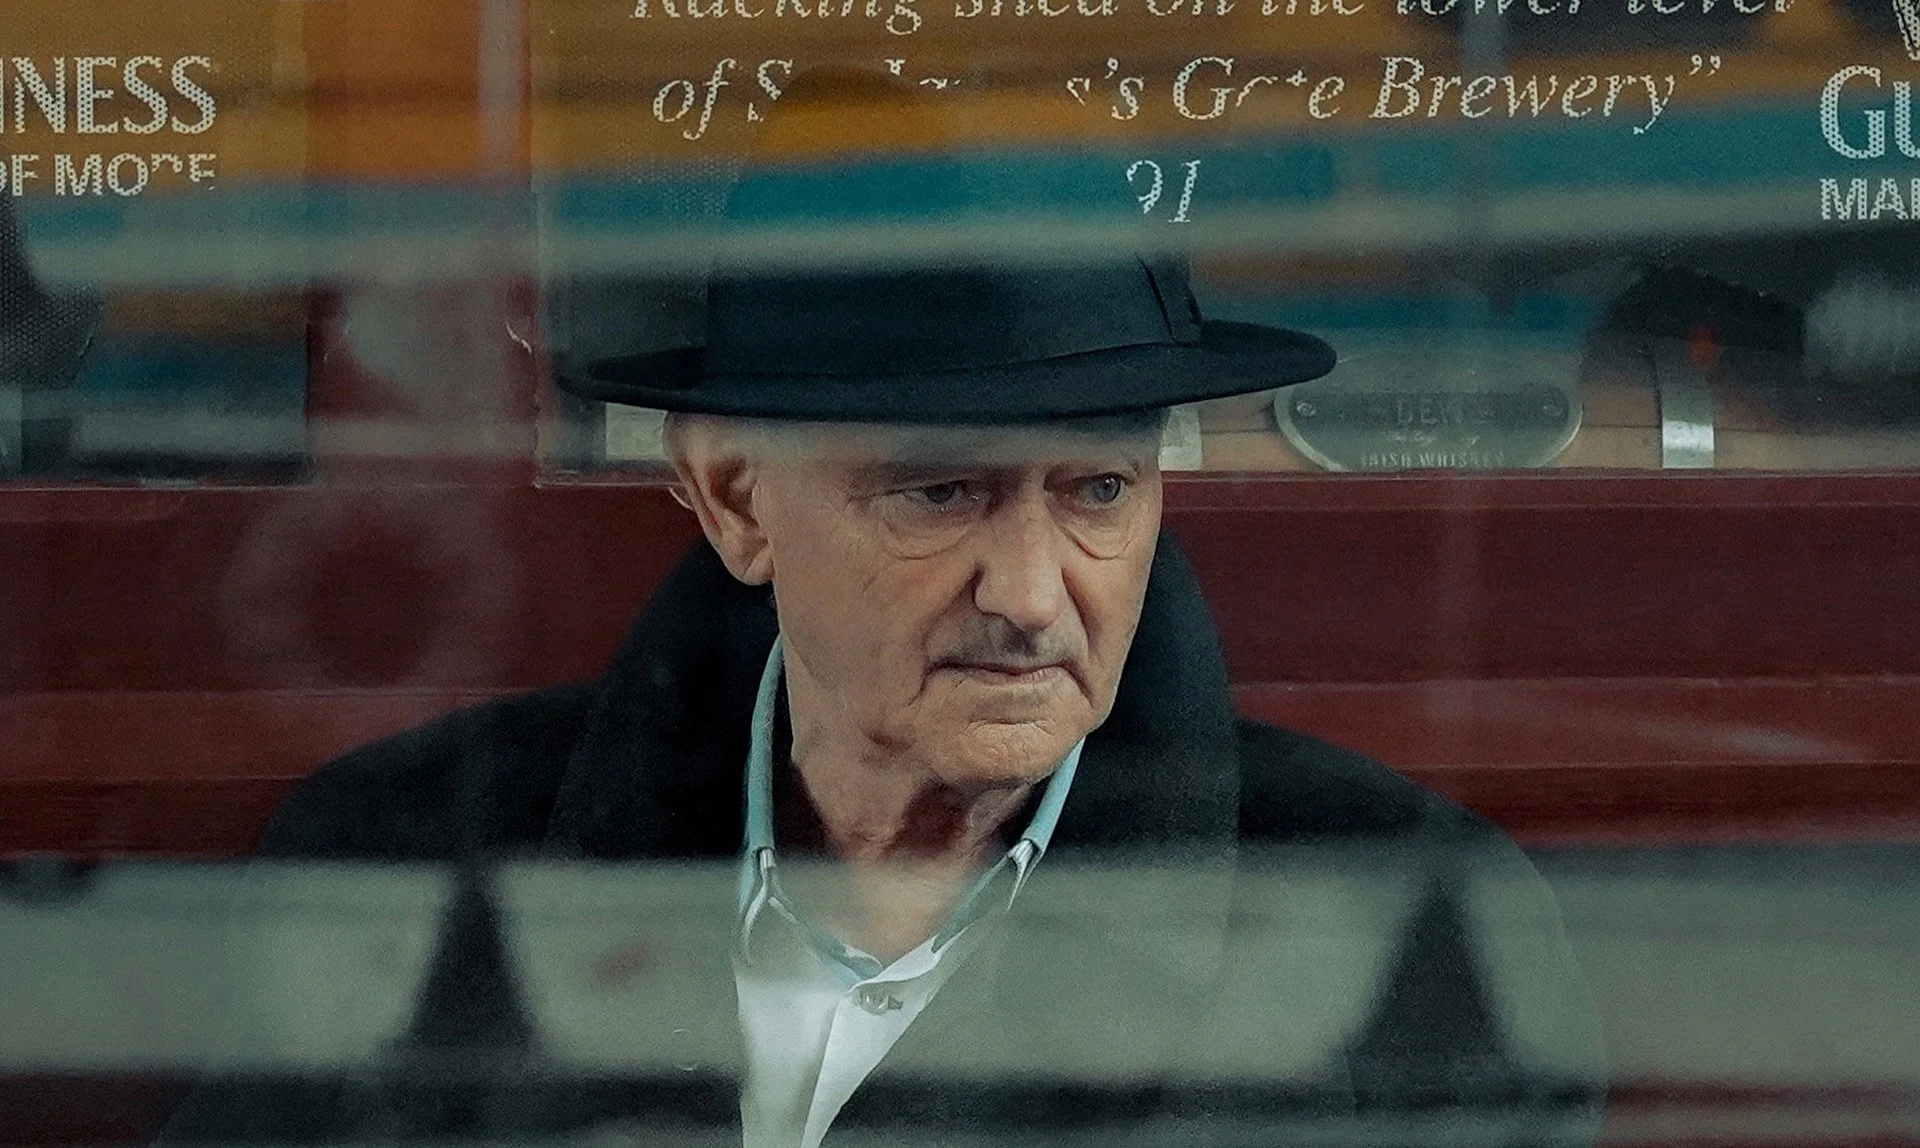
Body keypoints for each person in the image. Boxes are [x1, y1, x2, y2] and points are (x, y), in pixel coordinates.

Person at [167, 73, 1604, 1148]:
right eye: (941, 497)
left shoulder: (1413, 930)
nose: (1036, 595)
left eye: (1098, 491)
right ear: (733, 496)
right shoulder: (401, 862)